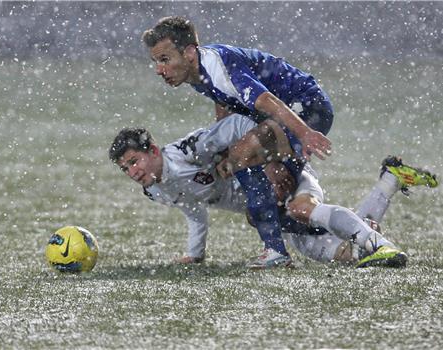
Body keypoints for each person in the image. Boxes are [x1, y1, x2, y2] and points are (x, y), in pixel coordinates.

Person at [109, 114, 439, 268]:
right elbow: (194, 211)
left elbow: (237, 124)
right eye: (125, 168)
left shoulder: (187, 151)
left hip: (285, 177)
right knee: (331, 251)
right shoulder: (156, 191)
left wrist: (272, 160)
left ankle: (376, 243)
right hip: (270, 211)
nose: (132, 172)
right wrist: (195, 254)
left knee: (303, 212)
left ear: (152, 150)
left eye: (133, 161)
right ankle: (389, 182)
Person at [141, 16, 335, 265]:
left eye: (164, 59)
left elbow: (265, 100)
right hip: (281, 117)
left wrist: (304, 132)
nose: (159, 69)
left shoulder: (218, 66)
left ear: (189, 52)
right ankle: (347, 230)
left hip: (305, 107)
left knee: (243, 158)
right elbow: (225, 101)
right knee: (267, 204)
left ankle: (276, 251)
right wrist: (227, 152)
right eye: (155, 61)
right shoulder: (198, 72)